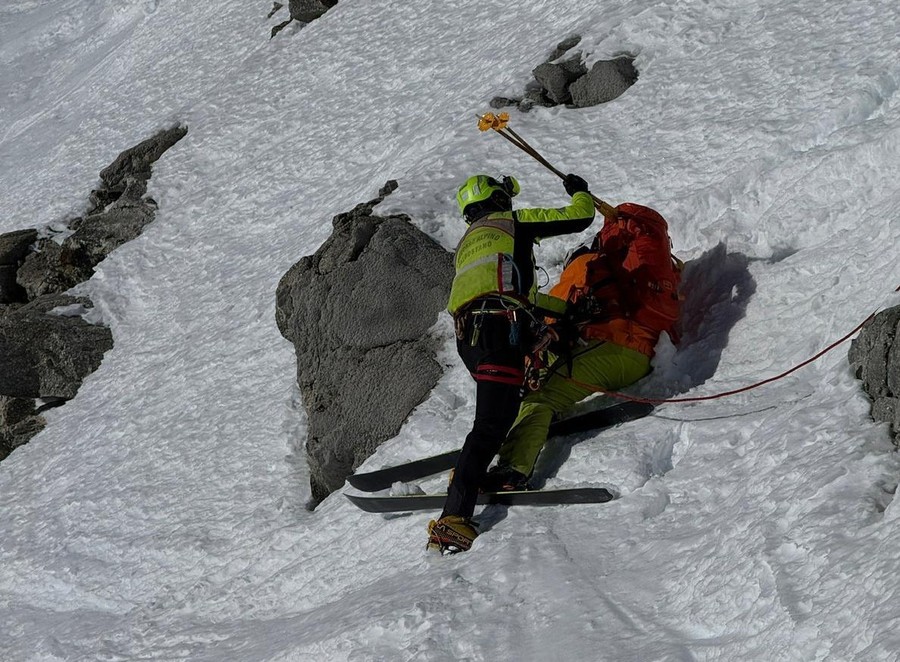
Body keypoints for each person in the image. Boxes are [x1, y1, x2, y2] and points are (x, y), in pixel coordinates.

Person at [426, 173, 596, 554]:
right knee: (489, 425)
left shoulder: (469, 245)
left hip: (471, 337)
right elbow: (580, 217)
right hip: (499, 329)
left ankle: (479, 471)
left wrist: (567, 310)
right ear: (499, 198)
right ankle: (453, 516)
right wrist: (579, 190)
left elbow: (520, 294)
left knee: (499, 412)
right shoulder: (513, 223)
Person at [483, 202, 682, 492]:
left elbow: (552, 320)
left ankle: (511, 471)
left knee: (540, 398)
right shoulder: (631, 272)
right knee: (545, 392)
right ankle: (531, 431)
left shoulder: (585, 269)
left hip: (613, 346)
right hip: (630, 352)